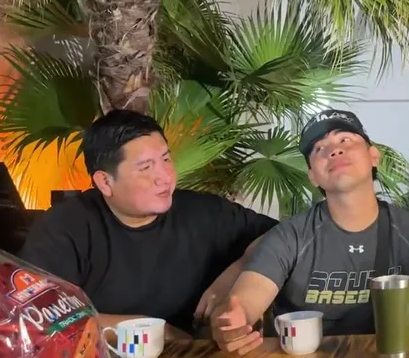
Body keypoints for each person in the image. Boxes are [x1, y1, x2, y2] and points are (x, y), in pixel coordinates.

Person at [211, 110, 409, 354]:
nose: (334, 150)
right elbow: (242, 305)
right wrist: (229, 324)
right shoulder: (289, 237)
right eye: (319, 148)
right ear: (312, 176)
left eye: (345, 140)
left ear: (373, 156)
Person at [19, 110, 277, 339]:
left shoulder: (205, 212)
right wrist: (150, 330)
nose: (165, 177)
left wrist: (239, 270)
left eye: (166, 160)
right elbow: (42, 319)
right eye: (145, 167)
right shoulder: (65, 228)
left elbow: (284, 236)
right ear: (105, 182)